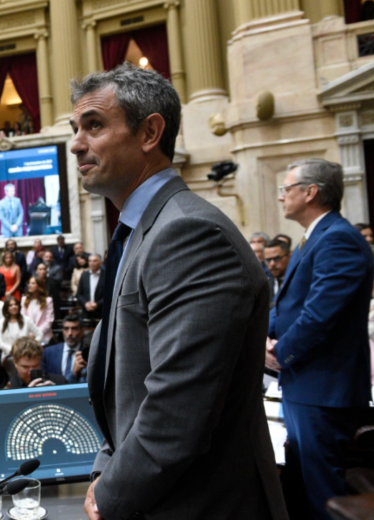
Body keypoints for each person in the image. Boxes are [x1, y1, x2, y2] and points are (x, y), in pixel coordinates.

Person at [70, 65, 286, 519]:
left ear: (150, 132)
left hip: (201, 505)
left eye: (93, 126)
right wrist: (104, 469)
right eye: (76, 129)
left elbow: (175, 411)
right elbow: (126, 390)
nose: (76, 144)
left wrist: (110, 495)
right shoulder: (141, 231)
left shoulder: (186, 232)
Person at [265, 159, 373, 519]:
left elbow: (320, 315)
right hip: (306, 387)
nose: (281, 197)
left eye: (286, 189)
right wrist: (257, 334)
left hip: (326, 392)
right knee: (303, 489)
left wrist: (280, 352)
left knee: (325, 497)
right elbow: (288, 306)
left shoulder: (339, 238)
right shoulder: (314, 236)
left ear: (310, 192)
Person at [42, 315, 88, 384]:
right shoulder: (48, 353)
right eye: (66, 329)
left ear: (82, 331)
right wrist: (74, 373)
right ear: (62, 330)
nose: (69, 333)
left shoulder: (88, 353)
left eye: (74, 329)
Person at [22, 277, 54, 343]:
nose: (29, 285)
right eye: (29, 283)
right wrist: (30, 333)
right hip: (28, 336)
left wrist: (36, 333)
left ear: (39, 286)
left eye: (33, 283)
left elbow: (49, 321)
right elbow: (23, 318)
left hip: (44, 336)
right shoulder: (24, 299)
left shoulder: (48, 301)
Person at [76, 253, 103, 320]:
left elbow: (109, 294)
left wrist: (97, 304)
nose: (92, 263)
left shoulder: (106, 276)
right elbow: (79, 294)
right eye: (90, 261)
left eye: (95, 261)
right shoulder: (84, 275)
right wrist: (85, 303)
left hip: (101, 311)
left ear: (100, 262)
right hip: (86, 311)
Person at [264, 239, 291, 305]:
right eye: (268, 260)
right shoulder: (264, 287)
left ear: (289, 257)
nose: (272, 264)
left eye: (277, 258)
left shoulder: (299, 282)